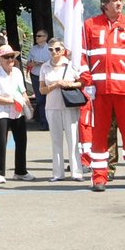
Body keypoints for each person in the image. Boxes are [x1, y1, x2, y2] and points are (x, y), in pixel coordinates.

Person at [82, 0, 125, 191]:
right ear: (105, 4)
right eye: (114, 0)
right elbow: (82, 56)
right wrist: (88, 81)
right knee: (100, 134)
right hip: (100, 91)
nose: (119, 3)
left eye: (120, 0)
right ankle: (99, 177)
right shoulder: (90, 25)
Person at [38, 39, 83, 181]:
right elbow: (42, 90)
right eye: (50, 49)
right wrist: (55, 85)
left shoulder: (70, 65)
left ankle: (76, 172)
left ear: (63, 50)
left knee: (73, 139)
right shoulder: (45, 67)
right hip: (52, 107)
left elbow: (82, 82)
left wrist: (69, 84)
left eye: (57, 49)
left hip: (69, 106)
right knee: (56, 141)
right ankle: (58, 173)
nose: (53, 52)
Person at [0, 45, 31, 183]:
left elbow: (23, 91)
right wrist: (11, 101)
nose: (10, 59)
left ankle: (20, 171)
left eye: (12, 56)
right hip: (1, 112)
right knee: (1, 142)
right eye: (7, 57)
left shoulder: (17, 72)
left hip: (17, 110)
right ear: (0, 59)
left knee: (22, 140)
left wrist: (28, 106)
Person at [24, 31, 52, 131]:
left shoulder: (50, 49)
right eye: (36, 35)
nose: (37, 37)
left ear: (45, 37)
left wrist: (45, 63)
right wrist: (34, 63)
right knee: (40, 100)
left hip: (48, 76)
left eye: (39, 36)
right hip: (36, 75)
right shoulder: (33, 49)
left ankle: (51, 122)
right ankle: (44, 123)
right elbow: (28, 63)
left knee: (50, 99)